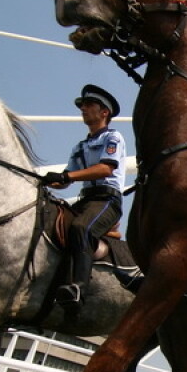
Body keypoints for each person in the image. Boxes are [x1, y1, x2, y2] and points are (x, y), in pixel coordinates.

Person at [43, 84, 126, 307]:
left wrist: (67, 176)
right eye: (82, 105)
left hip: (106, 200)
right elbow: (66, 179)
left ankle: (79, 288)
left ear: (104, 112)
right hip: (85, 199)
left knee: (81, 228)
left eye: (89, 105)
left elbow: (105, 169)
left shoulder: (112, 137)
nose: (83, 109)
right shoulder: (80, 146)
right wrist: (44, 181)